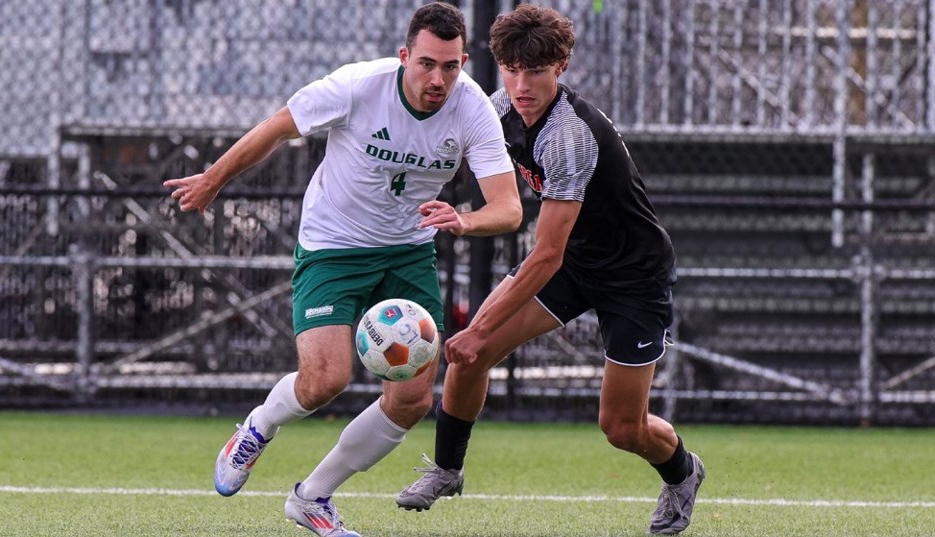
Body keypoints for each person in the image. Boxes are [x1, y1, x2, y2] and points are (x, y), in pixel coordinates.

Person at [163, 3, 522, 536]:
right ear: (405, 56)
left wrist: (464, 222)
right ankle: (258, 427)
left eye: (450, 66)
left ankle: (312, 497)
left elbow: (509, 208)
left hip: (407, 252)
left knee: (413, 397)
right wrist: (215, 179)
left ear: (463, 62)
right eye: (427, 64)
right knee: (325, 380)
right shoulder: (358, 86)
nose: (438, 78)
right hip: (334, 245)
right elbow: (278, 128)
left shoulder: (472, 109)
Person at [395, 4, 704, 535]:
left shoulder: (569, 135)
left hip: (633, 276)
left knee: (621, 427)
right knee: (470, 356)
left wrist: (482, 326)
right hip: (575, 261)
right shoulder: (498, 108)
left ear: (559, 68)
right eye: (511, 68)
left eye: (534, 71)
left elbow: (546, 253)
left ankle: (682, 472)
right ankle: (447, 470)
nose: (521, 83)